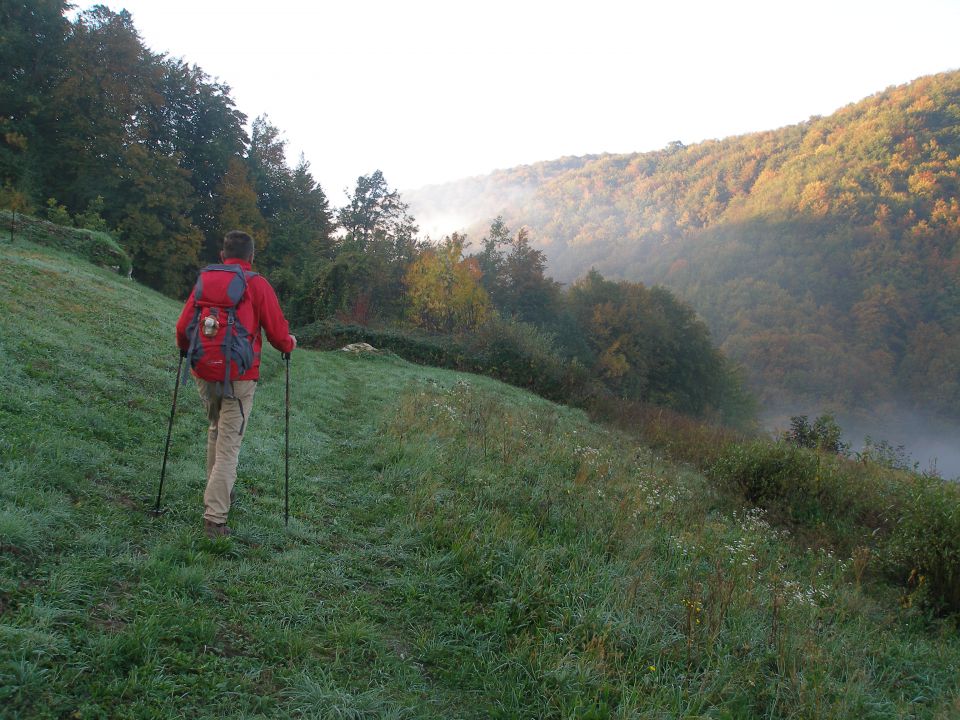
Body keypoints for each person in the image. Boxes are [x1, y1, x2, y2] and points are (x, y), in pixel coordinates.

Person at [175, 230, 296, 538]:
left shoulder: (205, 279)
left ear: (223, 255)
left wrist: (184, 348)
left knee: (216, 431)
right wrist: (289, 344)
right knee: (230, 446)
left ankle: (220, 494)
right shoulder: (257, 284)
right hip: (240, 376)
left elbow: (182, 326)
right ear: (251, 257)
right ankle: (215, 519)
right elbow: (279, 336)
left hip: (204, 370)